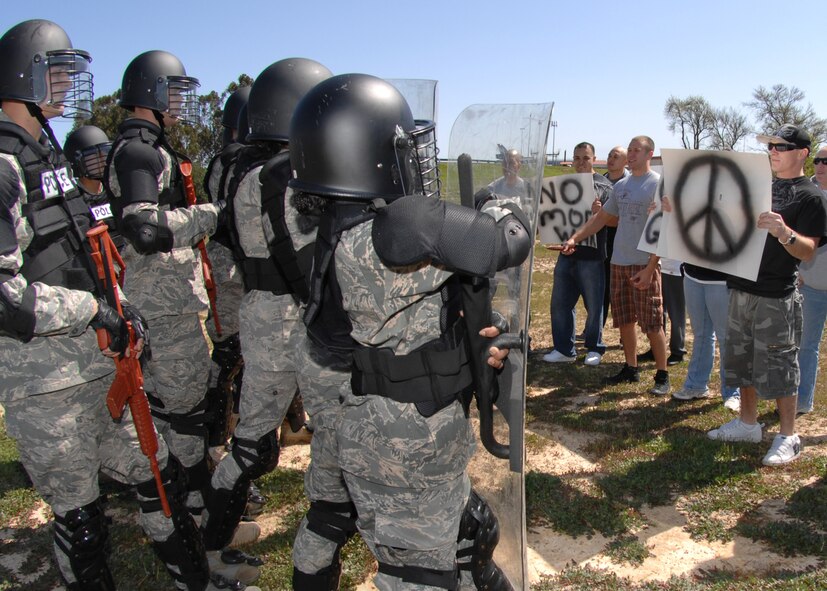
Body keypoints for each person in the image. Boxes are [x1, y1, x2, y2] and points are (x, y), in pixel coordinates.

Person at [0, 20, 255, 591]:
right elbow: (6, 300)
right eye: (56, 72)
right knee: (82, 524)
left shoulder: (41, 156)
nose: (67, 85)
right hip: (43, 383)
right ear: (23, 76)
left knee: (161, 481)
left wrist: (115, 308)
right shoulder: (4, 166)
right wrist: (94, 312)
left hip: (99, 366)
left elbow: (87, 252)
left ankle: (198, 581)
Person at [289, 73, 521, 590]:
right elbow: (504, 241)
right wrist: (499, 205)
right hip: (408, 443)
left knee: (466, 537)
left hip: (385, 425)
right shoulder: (394, 231)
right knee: (418, 576)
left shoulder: (338, 230)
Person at [105, 50, 260, 586]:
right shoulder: (139, 152)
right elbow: (145, 229)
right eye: (172, 92)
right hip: (163, 309)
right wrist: (210, 215)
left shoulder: (150, 148)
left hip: (168, 305)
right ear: (149, 93)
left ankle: (195, 521)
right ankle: (198, 534)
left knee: (182, 414)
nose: (179, 103)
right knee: (187, 418)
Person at [200, 58, 333, 570]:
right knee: (285, 442)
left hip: (267, 312)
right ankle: (218, 547)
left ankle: (213, 545)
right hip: (291, 316)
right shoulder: (279, 177)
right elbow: (304, 257)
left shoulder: (249, 171)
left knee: (255, 442)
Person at [707, 124, 826, 466]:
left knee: (780, 365)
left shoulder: (811, 196)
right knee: (741, 360)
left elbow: (808, 251)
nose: (773, 151)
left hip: (776, 293)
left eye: (781, 146)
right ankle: (748, 423)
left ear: (802, 153)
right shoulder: (760, 186)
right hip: (740, 286)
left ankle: (788, 435)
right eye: (771, 146)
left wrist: (784, 232)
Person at [562, 136, 670, 395]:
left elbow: (664, 230)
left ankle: (662, 375)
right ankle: (630, 368)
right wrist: (575, 238)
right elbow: (601, 218)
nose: (631, 154)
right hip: (618, 262)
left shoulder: (658, 185)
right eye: (629, 150)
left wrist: (650, 267)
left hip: (643, 264)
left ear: (649, 154)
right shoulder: (621, 186)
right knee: (625, 321)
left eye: (636, 150)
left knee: (652, 323)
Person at [543, 142, 612, 366]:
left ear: (594, 159)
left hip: (591, 256)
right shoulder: (563, 185)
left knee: (594, 305)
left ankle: (595, 348)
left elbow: (609, 218)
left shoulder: (603, 186)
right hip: (566, 253)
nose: (581, 162)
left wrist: (599, 211)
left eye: (586, 158)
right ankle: (564, 349)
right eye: (577, 158)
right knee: (560, 303)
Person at [793, 147, 827, 415]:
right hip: (811, 284)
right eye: (817, 160)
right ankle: (802, 401)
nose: (821, 165)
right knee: (806, 346)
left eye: (826, 161)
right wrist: (796, 270)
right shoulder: (804, 194)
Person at [601, 145, 628, 328]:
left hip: (623, 242)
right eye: (610, 155)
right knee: (602, 287)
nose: (611, 159)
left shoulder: (630, 183)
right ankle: (596, 328)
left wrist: (602, 216)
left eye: (616, 156)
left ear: (625, 161)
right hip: (602, 240)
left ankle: (625, 333)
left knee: (622, 290)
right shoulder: (600, 181)